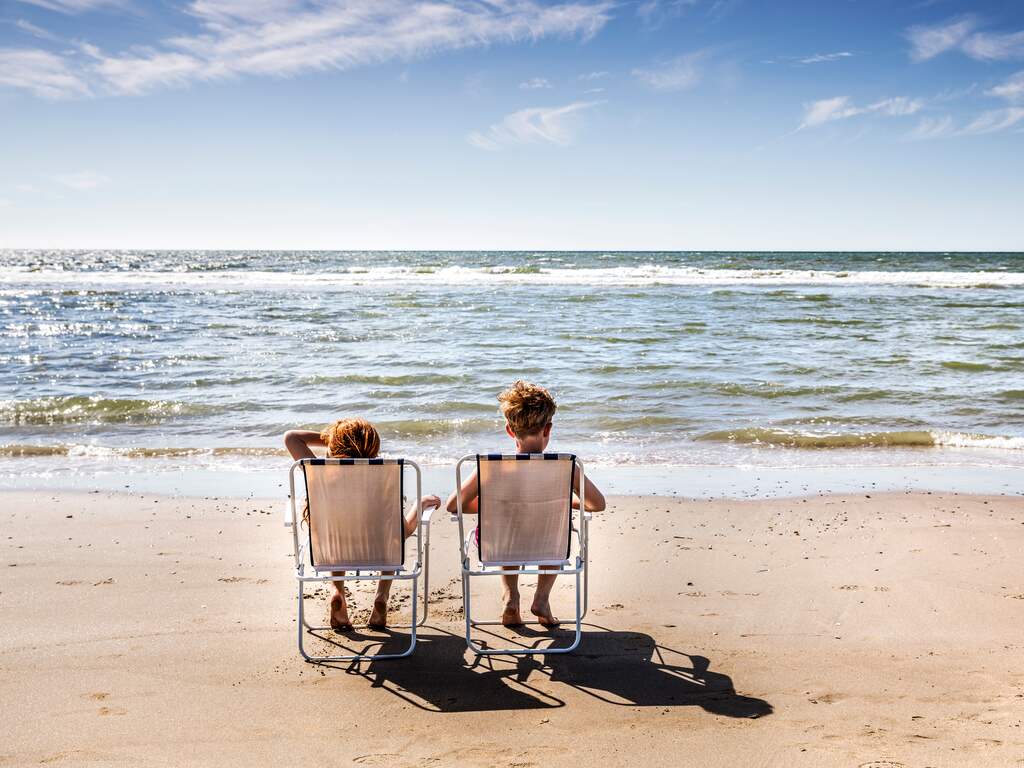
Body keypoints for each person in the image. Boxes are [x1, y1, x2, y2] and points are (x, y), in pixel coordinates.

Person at [446, 381, 606, 627]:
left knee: (505, 527)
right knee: (556, 530)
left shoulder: (491, 467)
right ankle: (542, 599)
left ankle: (511, 596)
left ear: (510, 430)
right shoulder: (566, 467)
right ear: (548, 429)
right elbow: (597, 504)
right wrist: (561, 501)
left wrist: (495, 504)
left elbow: (454, 505)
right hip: (548, 543)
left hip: (501, 542)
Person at [284, 418, 440, 631]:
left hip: (334, 550)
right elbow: (403, 531)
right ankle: (381, 596)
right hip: (376, 551)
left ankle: (337, 592)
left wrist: (332, 438)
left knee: (334, 534)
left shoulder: (320, 476)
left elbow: (291, 437)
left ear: (335, 447)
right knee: (392, 540)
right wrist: (419, 505)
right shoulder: (382, 480)